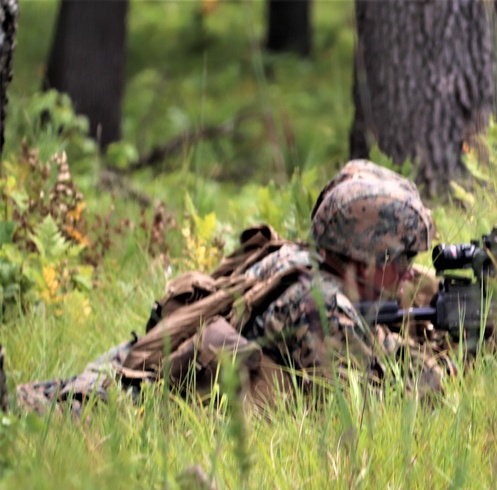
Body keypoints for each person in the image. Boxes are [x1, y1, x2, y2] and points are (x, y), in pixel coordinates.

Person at [6, 160, 455, 415]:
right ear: (363, 254)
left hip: (131, 372)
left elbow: (369, 343)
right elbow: (363, 413)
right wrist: (440, 371)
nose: (407, 274)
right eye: (399, 260)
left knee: (34, 399)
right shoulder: (323, 306)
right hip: (137, 410)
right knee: (31, 415)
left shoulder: (294, 259)